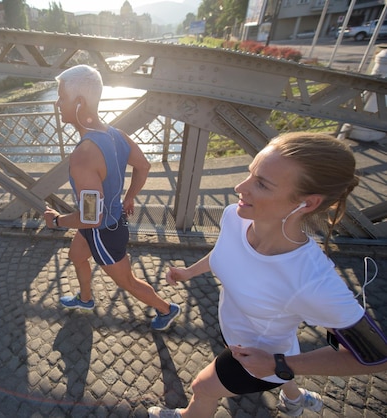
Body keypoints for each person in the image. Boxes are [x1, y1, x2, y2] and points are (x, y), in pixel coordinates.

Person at [148, 132, 387, 417]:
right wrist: (189, 272)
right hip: (241, 332)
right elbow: (227, 253)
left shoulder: (311, 281)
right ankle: (295, 400)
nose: (240, 186)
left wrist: (279, 364)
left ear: (307, 204)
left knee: (203, 388)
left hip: (258, 358)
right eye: (251, 173)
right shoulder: (236, 216)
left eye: (261, 183)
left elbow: (377, 357)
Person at [43, 64, 180, 331]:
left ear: (80, 102)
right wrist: (129, 198)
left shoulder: (84, 155)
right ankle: (85, 299)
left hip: (105, 231)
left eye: (62, 97)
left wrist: (57, 221)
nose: (58, 104)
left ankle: (166, 309)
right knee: (76, 256)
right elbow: (144, 166)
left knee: (127, 281)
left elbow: (91, 218)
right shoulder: (116, 135)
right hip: (103, 224)